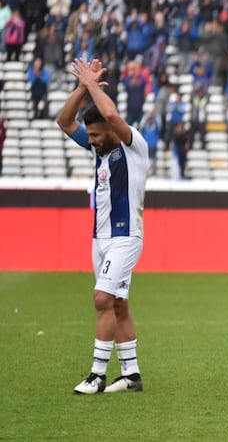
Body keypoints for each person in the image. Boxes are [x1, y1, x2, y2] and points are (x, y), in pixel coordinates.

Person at [56, 57, 150, 394]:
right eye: (90, 136)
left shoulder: (134, 145)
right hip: (101, 238)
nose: (92, 140)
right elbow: (64, 122)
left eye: (96, 135)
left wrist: (93, 85)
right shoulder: (101, 149)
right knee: (118, 304)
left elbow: (110, 115)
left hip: (126, 236)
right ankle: (131, 375)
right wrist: (82, 87)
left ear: (111, 131)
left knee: (101, 298)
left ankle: (97, 375)